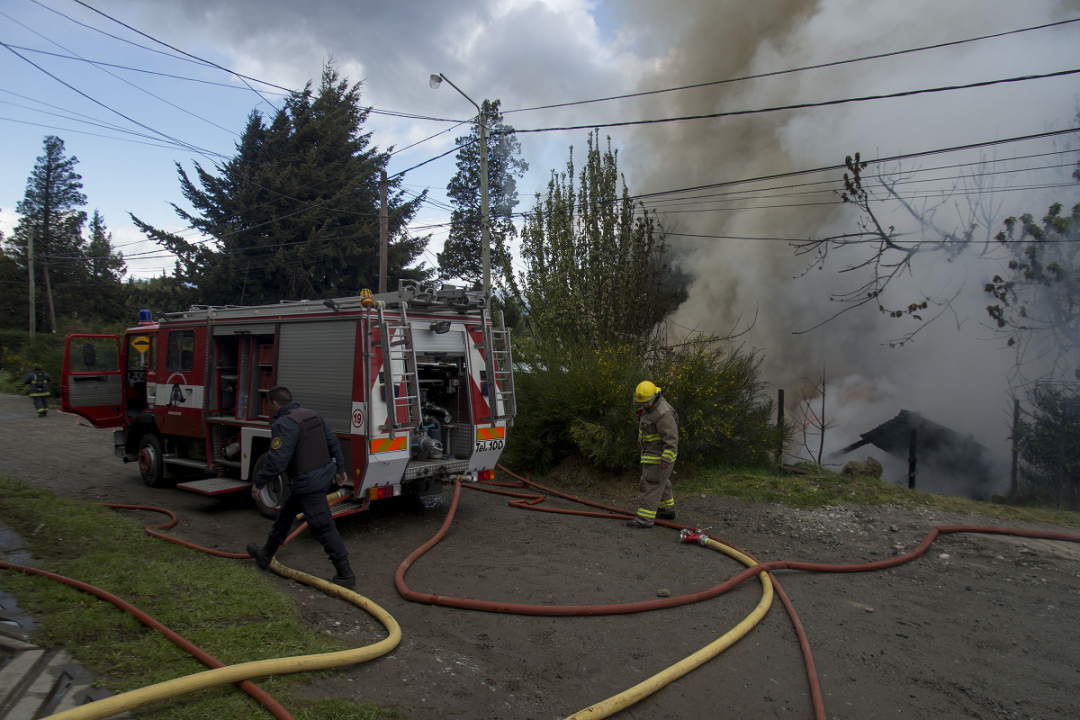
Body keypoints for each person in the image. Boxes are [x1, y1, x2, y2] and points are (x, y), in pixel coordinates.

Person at [246, 386, 356, 587]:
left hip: (309, 483)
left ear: (274, 404)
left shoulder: (284, 423)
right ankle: (265, 555)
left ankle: (346, 575)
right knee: (286, 515)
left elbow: (277, 461)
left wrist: (259, 483)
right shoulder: (312, 415)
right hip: (322, 476)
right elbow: (333, 443)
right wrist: (340, 468)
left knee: (322, 526)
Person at [627, 380, 679, 529]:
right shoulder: (649, 409)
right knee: (662, 482)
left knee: (650, 485)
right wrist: (640, 440)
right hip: (652, 453)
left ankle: (644, 519)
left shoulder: (663, 414)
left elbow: (671, 439)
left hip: (659, 456)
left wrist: (666, 458)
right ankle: (667, 511)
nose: (645, 405)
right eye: (642, 402)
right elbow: (646, 427)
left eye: (647, 402)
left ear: (655, 396)